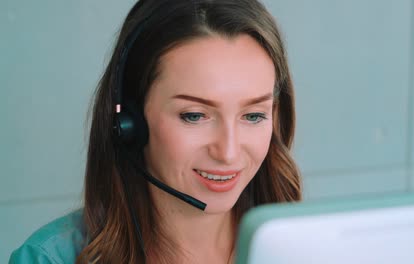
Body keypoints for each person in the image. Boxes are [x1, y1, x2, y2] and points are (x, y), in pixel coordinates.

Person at [9, 0, 301, 263]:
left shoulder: (305, 246)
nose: (228, 152)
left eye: (252, 115)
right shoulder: (49, 259)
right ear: (130, 123)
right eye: (194, 116)